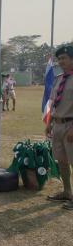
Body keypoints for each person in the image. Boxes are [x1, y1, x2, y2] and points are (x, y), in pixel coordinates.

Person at [46, 45, 73, 210]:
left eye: (64, 58)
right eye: (60, 58)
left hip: (71, 125)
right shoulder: (59, 78)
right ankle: (67, 192)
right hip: (57, 124)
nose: (61, 61)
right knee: (62, 161)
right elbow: (53, 104)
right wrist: (49, 123)